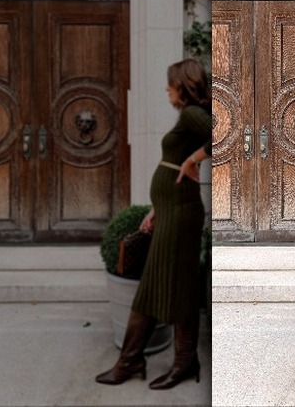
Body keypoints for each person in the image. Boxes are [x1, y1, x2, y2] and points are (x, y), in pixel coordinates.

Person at [96, 59, 212, 390]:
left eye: (170, 84)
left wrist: (192, 160)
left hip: (182, 212)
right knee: (169, 284)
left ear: (183, 85)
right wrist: (157, 210)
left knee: (167, 285)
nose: (166, 89)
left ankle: (145, 362)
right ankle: (163, 361)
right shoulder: (187, 116)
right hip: (173, 209)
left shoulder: (192, 113)